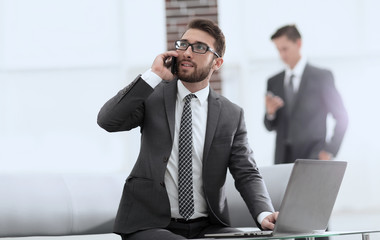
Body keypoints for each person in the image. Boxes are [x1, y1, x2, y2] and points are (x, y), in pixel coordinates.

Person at [98, 19, 278, 240]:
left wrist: (264, 214)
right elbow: (108, 120)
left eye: (200, 47)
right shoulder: (152, 95)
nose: (187, 52)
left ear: (217, 63)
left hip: (207, 226)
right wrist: (153, 75)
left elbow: (247, 172)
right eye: (183, 44)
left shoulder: (231, 114)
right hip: (148, 225)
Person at [264, 24, 348, 165]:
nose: (282, 55)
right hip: (283, 160)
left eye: (285, 49)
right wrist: (270, 113)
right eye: (278, 50)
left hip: (314, 157)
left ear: (298, 43)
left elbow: (342, 117)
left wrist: (330, 150)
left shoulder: (322, 77)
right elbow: (269, 126)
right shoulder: (274, 81)